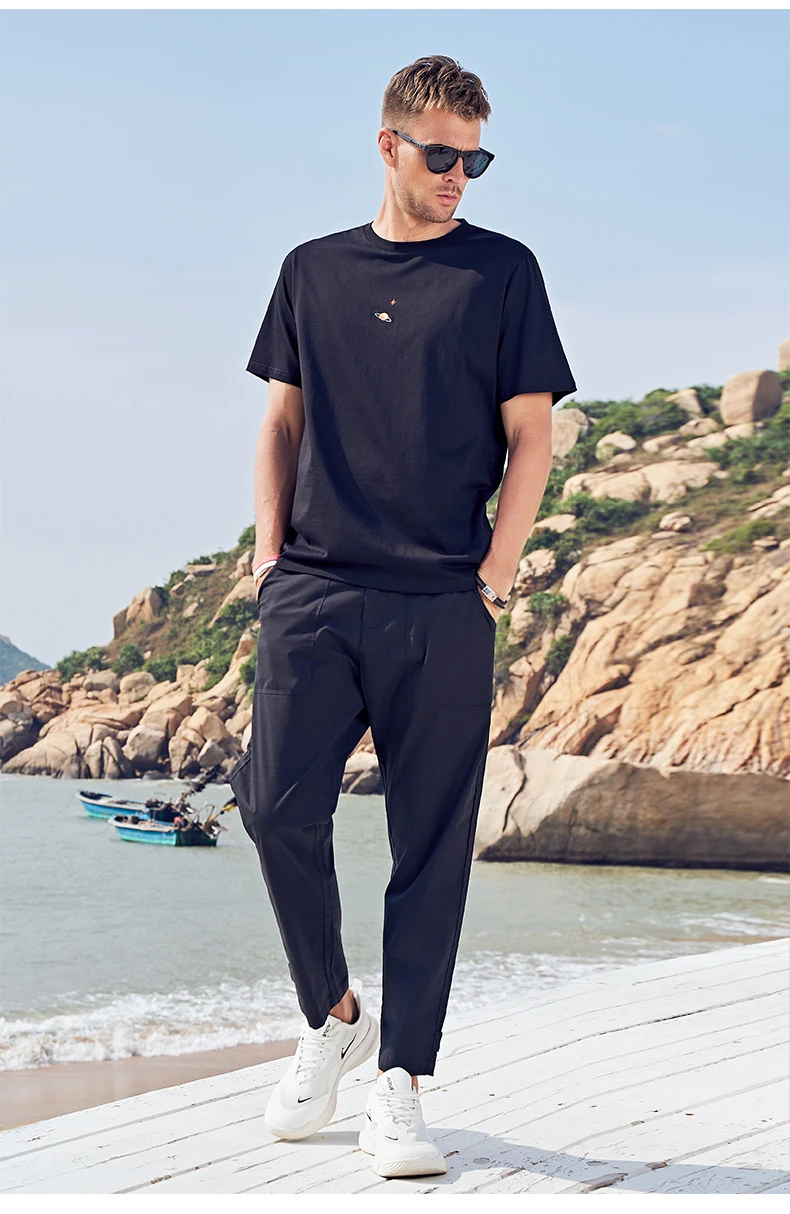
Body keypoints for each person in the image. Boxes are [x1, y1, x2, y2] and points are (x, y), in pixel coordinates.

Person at [229, 54, 577, 1179]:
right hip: (314, 590)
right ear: (388, 145)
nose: (458, 175)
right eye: (441, 154)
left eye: (476, 158)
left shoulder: (502, 273)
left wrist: (494, 576)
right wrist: (270, 559)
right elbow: (281, 423)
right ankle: (333, 1015)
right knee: (273, 807)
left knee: (429, 849)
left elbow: (533, 435)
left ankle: (401, 1083)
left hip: (443, 602)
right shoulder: (311, 270)